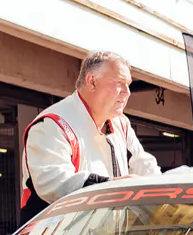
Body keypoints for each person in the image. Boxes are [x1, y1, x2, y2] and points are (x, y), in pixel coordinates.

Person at [21, 51, 160, 222]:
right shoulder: (53, 124)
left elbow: (145, 167)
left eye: (128, 84)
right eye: (119, 83)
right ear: (92, 82)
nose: (127, 92)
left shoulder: (121, 124)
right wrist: (113, 186)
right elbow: (54, 184)